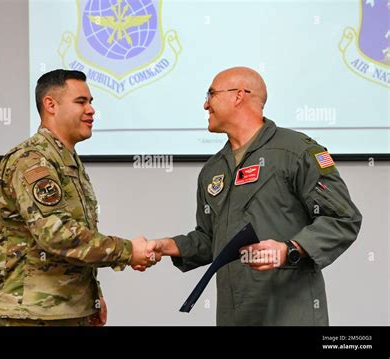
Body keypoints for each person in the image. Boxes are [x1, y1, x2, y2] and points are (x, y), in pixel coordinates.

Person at [142, 67, 362, 326]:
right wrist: (167, 246)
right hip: (234, 314)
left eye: (211, 94)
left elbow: (343, 218)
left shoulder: (296, 151)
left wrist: (289, 249)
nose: (205, 104)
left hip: (290, 314)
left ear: (239, 96)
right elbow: (212, 240)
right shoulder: (212, 170)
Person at [0, 69, 157, 326]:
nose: (91, 110)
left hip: (70, 309)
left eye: (91, 102)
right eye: (81, 102)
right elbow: (57, 235)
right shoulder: (32, 160)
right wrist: (128, 250)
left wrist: (93, 297)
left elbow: (80, 235)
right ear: (51, 105)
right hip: (33, 314)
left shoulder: (66, 160)